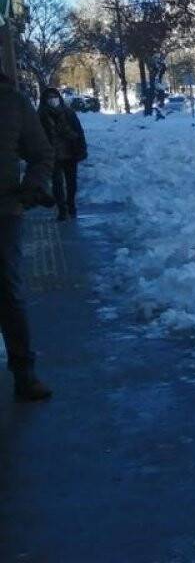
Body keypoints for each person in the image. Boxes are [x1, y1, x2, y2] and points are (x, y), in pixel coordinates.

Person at [0, 73, 56, 401]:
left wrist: (33, 187)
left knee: (7, 292)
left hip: (4, 212)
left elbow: (42, 154)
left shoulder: (12, 101)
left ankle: (24, 372)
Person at [37, 88, 88, 221]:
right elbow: (37, 136)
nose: (53, 100)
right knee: (57, 183)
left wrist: (82, 149)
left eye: (55, 97)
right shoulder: (41, 116)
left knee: (71, 183)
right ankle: (62, 209)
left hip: (70, 153)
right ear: (44, 100)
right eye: (49, 98)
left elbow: (79, 132)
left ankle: (71, 204)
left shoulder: (69, 113)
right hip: (53, 155)